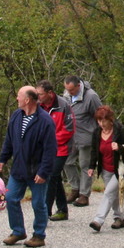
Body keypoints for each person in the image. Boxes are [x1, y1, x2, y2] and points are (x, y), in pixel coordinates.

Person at [0, 86, 57, 248]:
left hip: (37, 171)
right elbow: (9, 139)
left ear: (27, 100)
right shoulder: (16, 116)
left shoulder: (45, 121)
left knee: (38, 203)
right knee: (10, 198)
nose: (16, 99)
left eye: (19, 96)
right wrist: (3, 158)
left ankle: (39, 235)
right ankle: (18, 231)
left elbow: (50, 150)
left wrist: (43, 171)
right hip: (19, 169)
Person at [86, 106, 124, 232]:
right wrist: (92, 166)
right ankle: (119, 218)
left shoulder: (120, 130)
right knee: (113, 194)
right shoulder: (97, 132)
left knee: (108, 193)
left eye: (104, 121)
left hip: (119, 168)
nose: (101, 124)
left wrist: (119, 147)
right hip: (105, 168)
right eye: (99, 121)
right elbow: (94, 151)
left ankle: (98, 220)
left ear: (110, 120)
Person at [63, 76, 102, 208]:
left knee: (85, 165)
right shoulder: (67, 95)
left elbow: (100, 115)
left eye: (72, 90)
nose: (69, 93)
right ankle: (75, 188)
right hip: (70, 136)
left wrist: (99, 135)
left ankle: (84, 195)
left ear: (78, 86)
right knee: (67, 162)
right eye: (67, 90)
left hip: (87, 136)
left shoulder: (91, 97)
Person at [39, 81, 74, 222]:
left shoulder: (63, 105)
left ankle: (45, 211)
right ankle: (62, 210)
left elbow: (69, 129)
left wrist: (50, 141)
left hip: (62, 147)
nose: (38, 96)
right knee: (56, 177)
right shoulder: (38, 106)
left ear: (49, 93)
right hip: (45, 149)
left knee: (51, 175)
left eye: (40, 94)